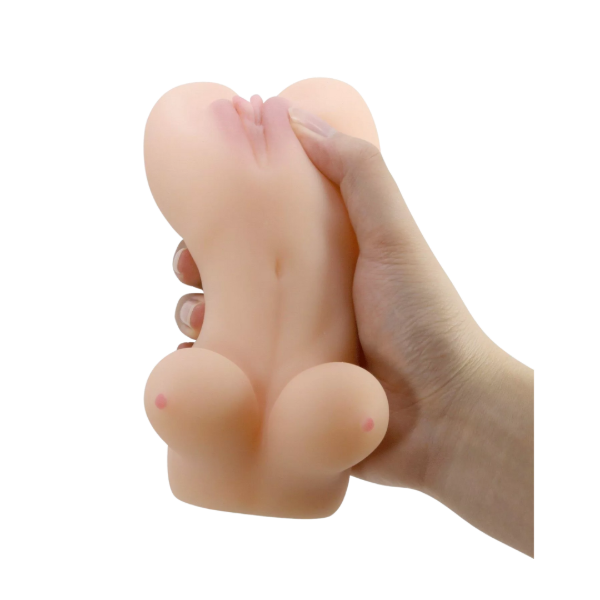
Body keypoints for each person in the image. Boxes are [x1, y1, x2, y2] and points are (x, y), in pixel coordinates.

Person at [169, 106, 535, 559]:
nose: (264, 113)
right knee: (211, 390)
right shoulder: (323, 112)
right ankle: (210, 411)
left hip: (331, 406)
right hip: (316, 410)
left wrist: (449, 403)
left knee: (324, 405)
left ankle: (236, 414)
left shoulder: (325, 112)